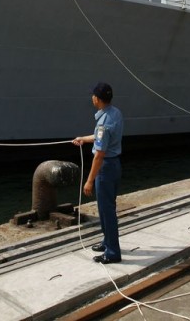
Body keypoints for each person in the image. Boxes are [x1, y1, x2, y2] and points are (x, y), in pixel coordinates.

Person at [72, 82, 124, 264]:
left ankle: (112, 252)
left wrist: (89, 181)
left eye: (93, 95)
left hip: (105, 168)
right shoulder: (115, 113)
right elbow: (102, 136)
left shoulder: (103, 122)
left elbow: (99, 155)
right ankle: (107, 241)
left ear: (97, 99)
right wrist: (83, 139)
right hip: (115, 164)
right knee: (107, 208)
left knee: (106, 210)